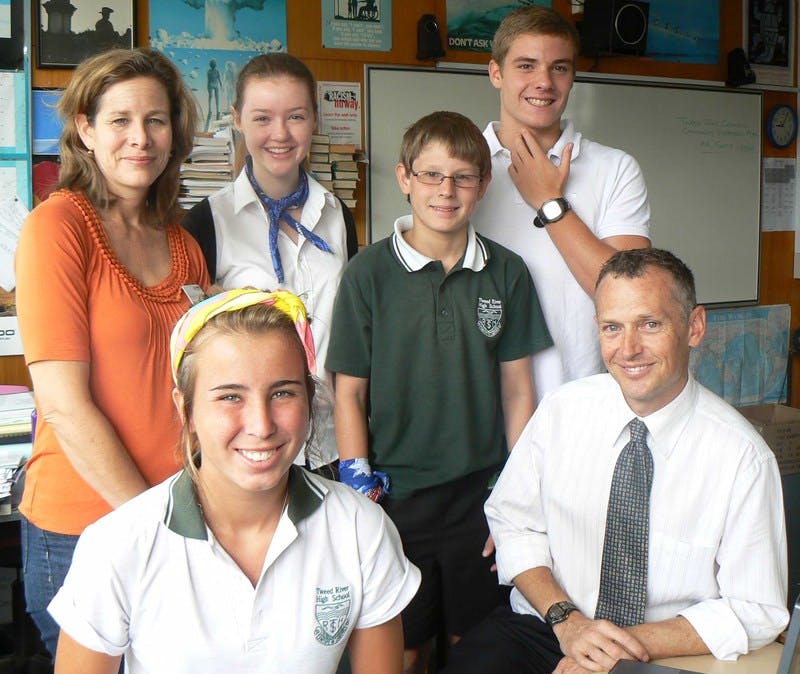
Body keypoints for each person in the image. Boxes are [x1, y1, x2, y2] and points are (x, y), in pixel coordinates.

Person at [444, 248, 789, 674]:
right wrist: (569, 624)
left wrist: (611, 646)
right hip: (553, 624)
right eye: (612, 327)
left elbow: (755, 608)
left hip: (669, 646)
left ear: (694, 327)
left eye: (650, 324)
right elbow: (514, 521)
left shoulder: (743, 458)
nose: (629, 349)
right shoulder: (561, 411)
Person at [48, 289, 421, 674]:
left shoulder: (360, 528)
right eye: (230, 397)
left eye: (282, 393)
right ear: (186, 408)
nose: (261, 426)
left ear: (308, 399)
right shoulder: (119, 545)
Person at [327, 111, 552, 673]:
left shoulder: (508, 272)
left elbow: (517, 390)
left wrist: (514, 491)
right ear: (404, 178)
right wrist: (359, 485)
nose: (445, 191)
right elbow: (349, 393)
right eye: (430, 175)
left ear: (484, 183)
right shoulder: (367, 275)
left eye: (462, 177)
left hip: (481, 497)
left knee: (471, 643)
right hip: (396, 498)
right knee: (401, 648)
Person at [14, 48, 208, 659]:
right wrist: (158, 524)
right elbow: (65, 406)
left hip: (179, 516)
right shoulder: (57, 228)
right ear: (85, 129)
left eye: (156, 120)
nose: (140, 138)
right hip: (85, 527)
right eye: (119, 120)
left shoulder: (183, 244)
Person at [183, 53, 358, 475]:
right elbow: (194, 351)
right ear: (237, 118)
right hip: (251, 447)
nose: (280, 134)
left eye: (295, 116)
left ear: (314, 119)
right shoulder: (207, 222)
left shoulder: (338, 215)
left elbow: (352, 334)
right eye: (262, 118)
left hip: (333, 444)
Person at [473, 6, 651, 399]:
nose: (544, 82)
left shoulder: (616, 168)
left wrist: (549, 202)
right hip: (479, 408)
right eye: (526, 65)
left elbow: (631, 296)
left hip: (584, 400)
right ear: (495, 73)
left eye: (559, 68)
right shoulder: (460, 171)